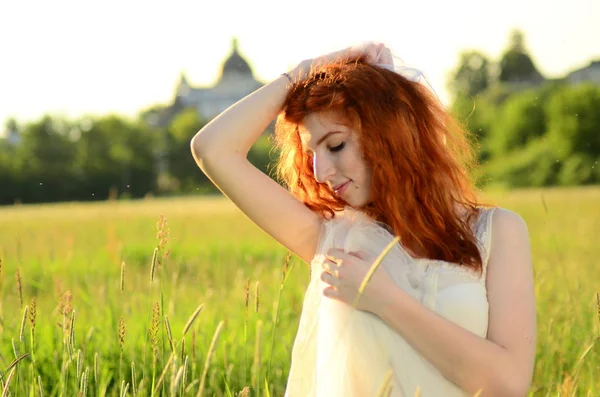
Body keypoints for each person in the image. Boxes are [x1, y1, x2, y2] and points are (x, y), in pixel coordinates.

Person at [190, 42, 537, 396]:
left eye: (336, 145)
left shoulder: (497, 231)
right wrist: (305, 71)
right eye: (311, 154)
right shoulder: (332, 239)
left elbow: (508, 384)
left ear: (390, 135)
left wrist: (383, 298)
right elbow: (213, 149)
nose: (321, 171)